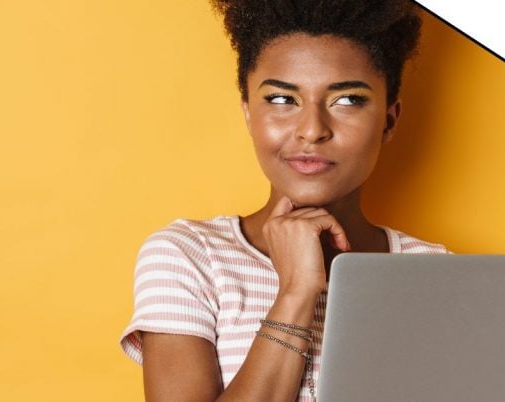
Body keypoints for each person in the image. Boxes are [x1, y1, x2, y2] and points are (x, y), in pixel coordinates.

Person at [119, 1, 449, 401]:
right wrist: (296, 292)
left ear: (389, 120)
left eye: (347, 100)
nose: (311, 130)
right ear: (248, 113)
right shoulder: (191, 256)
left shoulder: (434, 272)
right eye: (280, 99)